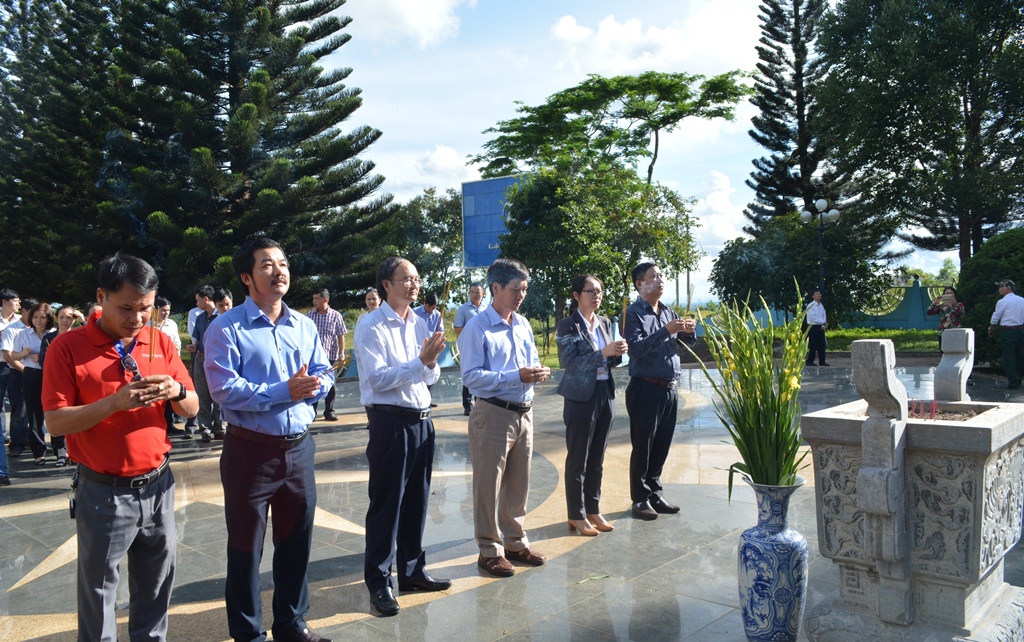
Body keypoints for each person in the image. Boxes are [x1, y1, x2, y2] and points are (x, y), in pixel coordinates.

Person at [42, 252, 198, 642]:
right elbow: (56, 421)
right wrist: (114, 403)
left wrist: (177, 391)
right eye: (126, 308)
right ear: (102, 297)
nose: (137, 318)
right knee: (99, 593)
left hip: (159, 486)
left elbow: (192, 407)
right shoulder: (68, 347)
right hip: (104, 493)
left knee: (157, 585)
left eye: (146, 308)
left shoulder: (159, 340)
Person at [204, 237, 334, 642]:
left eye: (283, 263)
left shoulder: (304, 325)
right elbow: (223, 389)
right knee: (246, 547)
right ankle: (248, 633)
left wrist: (316, 386)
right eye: (266, 265)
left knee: (296, 541)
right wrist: (284, 391)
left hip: (299, 449)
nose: (279, 271)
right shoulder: (226, 328)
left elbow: (325, 371)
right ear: (246, 277)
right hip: (250, 452)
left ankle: (292, 624)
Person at [355, 257, 450, 616]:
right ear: (386, 284)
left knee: (416, 501)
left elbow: (430, 377)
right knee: (387, 504)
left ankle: (411, 571)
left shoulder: (419, 322)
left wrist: (430, 362)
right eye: (406, 279)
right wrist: (420, 362)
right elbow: (377, 379)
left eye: (417, 279)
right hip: (390, 422)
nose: (414, 285)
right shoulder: (371, 325)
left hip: (422, 420)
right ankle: (380, 582)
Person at [460, 258, 551, 578]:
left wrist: (537, 372)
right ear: (495, 288)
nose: (520, 296)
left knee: (518, 484)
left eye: (524, 289)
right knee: (488, 484)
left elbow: (531, 361)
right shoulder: (477, 328)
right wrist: (517, 376)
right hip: (493, 413)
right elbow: (471, 377)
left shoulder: (522, 323)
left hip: (524, 412)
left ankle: (515, 541)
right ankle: (489, 549)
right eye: (515, 289)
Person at [623, 262, 696, 521]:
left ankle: (654, 493)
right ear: (640, 284)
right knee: (643, 446)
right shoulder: (632, 313)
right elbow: (635, 349)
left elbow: (683, 342)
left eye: (661, 275)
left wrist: (688, 331)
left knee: (661, 445)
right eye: (653, 276)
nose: (660, 279)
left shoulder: (667, 311)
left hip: (669, 388)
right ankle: (639, 498)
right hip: (645, 388)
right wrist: (667, 331)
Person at [556, 275, 628, 536]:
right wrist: (602, 353)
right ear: (577, 295)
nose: (597, 296)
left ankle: (593, 509)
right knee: (578, 458)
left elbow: (609, 361)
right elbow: (569, 363)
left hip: (604, 392)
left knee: (597, 457)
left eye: (599, 291)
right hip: (580, 397)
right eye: (591, 291)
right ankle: (576, 514)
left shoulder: (605, 322)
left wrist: (617, 353)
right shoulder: (568, 325)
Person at [11, 302, 54, 465]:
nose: (38, 321)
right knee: (34, 414)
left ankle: (59, 448)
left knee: (54, 409)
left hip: (51, 374)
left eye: (42, 317)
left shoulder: (53, 333)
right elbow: (13, 356)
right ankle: (38, 451)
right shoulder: (23, 334)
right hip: (31, 374)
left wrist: (43, 356)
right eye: (35, 317)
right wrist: (24, 353)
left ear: (48, 318)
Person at [39, 304, 82, 466]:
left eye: (69, 317)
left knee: (75, 416)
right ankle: (61, 452)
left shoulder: (80, 335)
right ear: (56, 319)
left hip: (76, 381)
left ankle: (75, 451)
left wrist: (83, 320)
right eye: (61, 317)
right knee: (57, 414)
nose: (65, 320)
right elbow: (43, 360)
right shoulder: (49, 338)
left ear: (74, 319)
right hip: (56, 380)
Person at [307, 287, 347, 422]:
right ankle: (311, 411)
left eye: (317, 298)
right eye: (313, 298)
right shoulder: (309, 316)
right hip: (313, 358)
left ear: (325, 300)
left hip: (331, 356)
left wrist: (341, 354)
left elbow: (341, 336)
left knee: (331, 385)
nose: (314, 301)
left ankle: (329, 411)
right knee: (313, 384)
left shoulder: (336, 316)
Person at [190, 286, 225, 442]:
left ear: (206, 299)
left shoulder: (221, 317)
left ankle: (219, 428)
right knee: (202, 395)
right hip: (201, 358)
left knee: (218, 395)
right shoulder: (200, 318)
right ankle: (205, 429)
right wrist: (194, 347)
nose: (197, 304)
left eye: (198, 300)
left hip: (217, 359)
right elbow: (197, 339)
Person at [2, 296, 36, 457]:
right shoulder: (12, 329)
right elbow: (7, 355)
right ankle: (16, 444)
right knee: (19, 409)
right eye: (33, 313)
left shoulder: (39, 328)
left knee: (35, 409)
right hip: (17, 372)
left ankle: (32, 439)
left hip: (36, 373)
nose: (37, 318)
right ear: (24, 311)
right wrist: (24, 370)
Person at [454, 282, 486, 415]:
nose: (475, 295)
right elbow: (457, 328)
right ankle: (467, 405)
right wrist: (472, 332)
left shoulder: (487, 309)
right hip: (469, 346)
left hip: (484, 346)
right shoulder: (463, 309)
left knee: (483, 373)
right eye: (472, 292)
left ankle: (480, 402)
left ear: (483, 293)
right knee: (470, 373)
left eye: (477, 292)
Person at [989, 279, 1024, 390]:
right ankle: (1018, 379)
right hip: (1019, 330)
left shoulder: (1002, 302)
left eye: (1001, 287)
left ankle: (1013, 381)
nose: (999, 289)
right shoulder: (1021, 300)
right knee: (1018, 356)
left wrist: (991, 328)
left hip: (1007, 331)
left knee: (1009, 357)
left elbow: (996, 316)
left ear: (1008, 288)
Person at [926, 286, 966, 351]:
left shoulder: (959, 305)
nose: (949, 295)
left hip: (956, 331)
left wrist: (953, 305)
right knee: (944, 352)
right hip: (943, 332)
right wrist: (935, 302)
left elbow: (961, 316)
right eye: (947, 293)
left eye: (951, 293)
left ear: (954, 295)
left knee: (955, 351)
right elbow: (929, 312)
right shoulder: (941, 307)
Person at [805, 288, 829, 366]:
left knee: (822, 344)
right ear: (813, 296)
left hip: (820, 327)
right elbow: (812, 318)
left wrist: (823, 324)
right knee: (813, 344)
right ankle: (810, 361)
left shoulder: (821, 306)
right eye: (817, 294)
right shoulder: (811, 305)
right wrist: (822, 322)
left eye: (819, 293)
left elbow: (823, 315)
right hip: (813, 326)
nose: (819, 295)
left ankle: (822, 361)